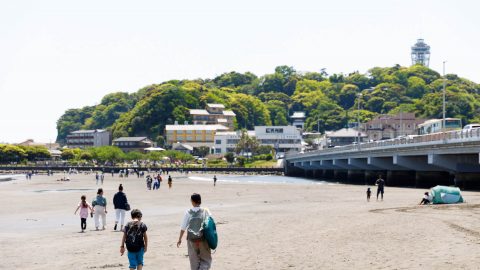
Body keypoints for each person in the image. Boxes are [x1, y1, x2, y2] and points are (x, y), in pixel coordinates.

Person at [177, 193, 212, 270]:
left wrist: (179, 239)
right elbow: (210, 224)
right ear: (200, 201)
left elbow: (183, 227)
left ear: (192, 201)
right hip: (203, 239)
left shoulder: (188, 212)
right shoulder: (205, 211)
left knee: (194, 261)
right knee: (206, 260)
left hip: (191, 240)